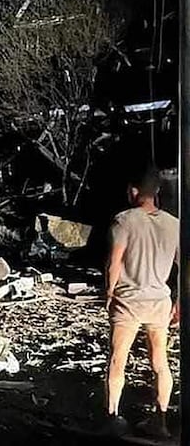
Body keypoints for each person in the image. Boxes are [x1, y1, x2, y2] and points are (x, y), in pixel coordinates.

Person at [105, 167, 178, 438]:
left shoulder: (123, 220)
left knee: (117, 360)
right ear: (157, 191)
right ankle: (160, 422)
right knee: (161, 362)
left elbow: (115, 262)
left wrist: (109, 293)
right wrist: (180, 301)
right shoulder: (174, 224)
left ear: (133, 190)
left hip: (128, 303)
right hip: (159, 303)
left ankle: (113, 417)